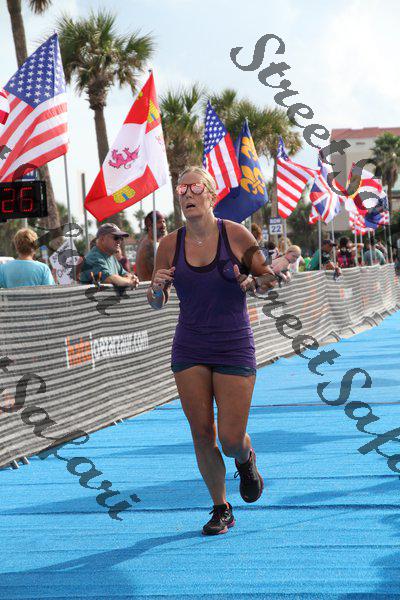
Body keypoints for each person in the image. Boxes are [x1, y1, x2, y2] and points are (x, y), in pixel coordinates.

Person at [147, 166, 278, 536]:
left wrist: (254, 281)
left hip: (233, 344)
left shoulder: (235, 234)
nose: (188, 194)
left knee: (230, 439)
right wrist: (154, 288)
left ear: (211, 194)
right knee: (202, 434)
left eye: (195, 188)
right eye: (181, 189)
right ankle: (221, 507)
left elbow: (269, 279)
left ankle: (246, 458)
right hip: (190, 345)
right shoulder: (168, 245)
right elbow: (156, 301)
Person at [136, 211, 167, 281]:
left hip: (152, 285)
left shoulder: (151, 242)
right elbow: (158, 270)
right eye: (159, 222)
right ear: (149, 226)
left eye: (164, 221)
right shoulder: (149, 245)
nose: (163, 225)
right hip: (149, 285)